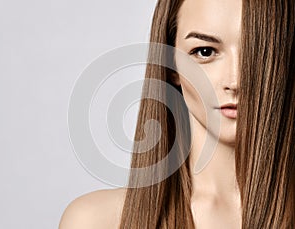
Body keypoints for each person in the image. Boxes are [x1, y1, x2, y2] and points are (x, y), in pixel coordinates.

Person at [59, 0, 295, 228]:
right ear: (171, 65)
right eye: (205, 52)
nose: (235, 81)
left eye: (260, 53)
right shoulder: (97, 221)